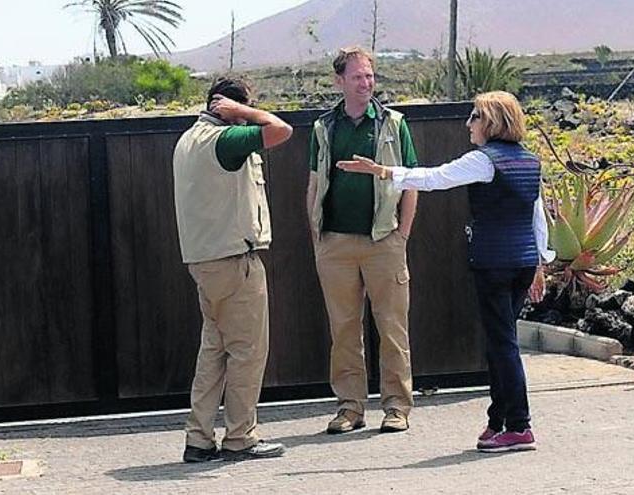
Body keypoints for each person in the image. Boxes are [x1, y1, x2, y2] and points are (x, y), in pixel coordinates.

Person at [336, 90, 555, 452]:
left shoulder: (485, 161)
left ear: (492, 121)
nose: (469, 124)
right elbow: (536, 215)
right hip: (521, 263)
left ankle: (519, 425)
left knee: (503, 345)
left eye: (475, 117)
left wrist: (384, 172)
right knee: (501, 341)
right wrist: (540, 262)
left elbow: (437, 177)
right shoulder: (530, 161)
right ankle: (497, 420)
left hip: (494, 263)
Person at [173, 77, 293, 462]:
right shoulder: (224, 140)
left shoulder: (187, 141)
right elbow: (280, 130)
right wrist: (244, 112)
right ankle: (241, 436)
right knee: (247, 351)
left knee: (214, 351)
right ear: (227, 109)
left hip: (203, 262)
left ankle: (199, 437)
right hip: (233, 261)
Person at [307, 46, 419, 434]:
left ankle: (397, 406)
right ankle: (350, 407)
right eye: (357, 77)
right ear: (339, 81)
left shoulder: (393, 123)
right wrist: (317, 238)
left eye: (369, 76)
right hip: (335, 244)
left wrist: (401, 235)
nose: (366, 83)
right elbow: (314, 183)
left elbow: (409, 182)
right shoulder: (324, 127)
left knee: (392, 327)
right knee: (343, 329)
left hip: (383, 242)